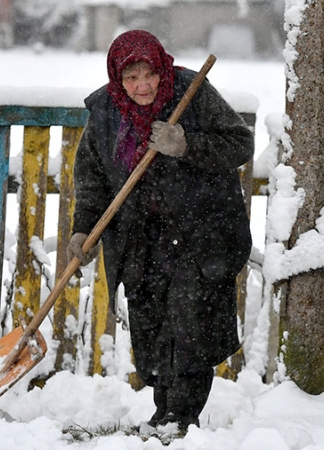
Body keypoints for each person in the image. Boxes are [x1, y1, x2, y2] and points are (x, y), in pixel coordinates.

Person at [66, 29, 253, 432]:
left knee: (189, 324)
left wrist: (187, 144)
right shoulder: (105, 112)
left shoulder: (192, 90)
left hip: (199, 235)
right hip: (140, 239)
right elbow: (93, 178)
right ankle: (164, 410)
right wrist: (83, 231)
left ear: (160, 67)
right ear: (118, 78)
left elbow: (240, 144)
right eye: (131, 78)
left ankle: (180, 416)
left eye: (148, 74)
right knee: (151, 326)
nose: (142, 85)